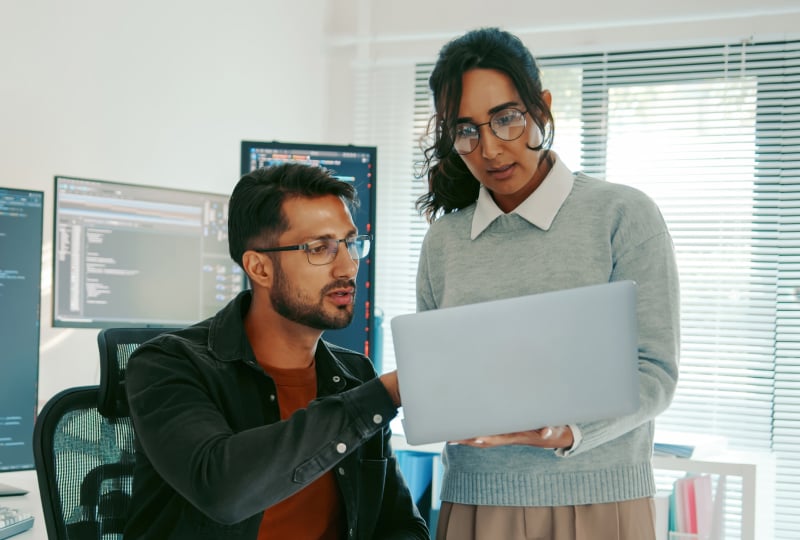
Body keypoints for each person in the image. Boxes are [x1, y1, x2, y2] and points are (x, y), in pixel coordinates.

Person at [415, 27, 680, 540]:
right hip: (476, 503)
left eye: (506, 119)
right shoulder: (445, 242)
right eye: (466, 129)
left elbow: (656, 373)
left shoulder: (623, 215)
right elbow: (440, 380)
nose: (489, 148)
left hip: (600, 503)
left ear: (542, 109)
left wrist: (569, 432)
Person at [124, 162, 429, 539]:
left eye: (351, 243)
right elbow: (223, 491)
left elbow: (401, 525)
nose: (348, 266)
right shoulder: (168, 365)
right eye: (321, 248)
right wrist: (381, 397)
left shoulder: (354, 376)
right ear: (260, 268)